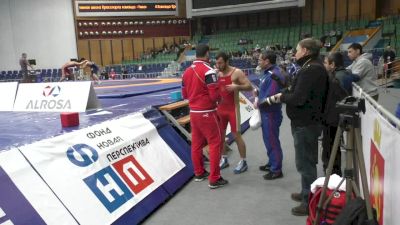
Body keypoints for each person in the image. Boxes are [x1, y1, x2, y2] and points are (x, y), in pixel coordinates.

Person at [267, 38, 329, 216]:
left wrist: (281, 97)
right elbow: (297, 90)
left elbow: (298, 98)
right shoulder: (311, 67)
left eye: (298, 50)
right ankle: (306, 192)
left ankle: (309, 201)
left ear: (307, 51)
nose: (295, 53)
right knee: (305, 161)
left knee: (305, 163)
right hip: (306, 122)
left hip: (306, 123)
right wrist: (288, 92)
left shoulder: (312, 69)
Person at [181, 44, 228, 189]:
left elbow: (184, 95)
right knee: (215, 143)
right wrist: (220, 96)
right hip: (207, 112)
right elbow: (214, 95)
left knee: (196, 144)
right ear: (207, 54)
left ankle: (199, 172)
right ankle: (214, 178)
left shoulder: (186, 72)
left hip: (193, 112)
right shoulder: (209, 71)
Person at [215, 52, 253, 174]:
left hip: (232, 109)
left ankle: (243, 161)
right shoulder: (217, 73)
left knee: (236, 135)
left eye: (220, 63)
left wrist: (237, 87)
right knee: (220, 136)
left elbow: (249, 86)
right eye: (216, 63)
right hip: (220, 109)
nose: (218, 65)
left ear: (227, 61)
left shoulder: (236, 72)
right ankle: (224, 158)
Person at [322, 52, 358, 177]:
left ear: (333, 64)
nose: (324, 65)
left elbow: (334, 98)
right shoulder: (347, 74)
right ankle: (333, 172)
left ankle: (333, 174)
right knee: (334, 146)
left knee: (331, 147)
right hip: (338, 116)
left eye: (326, 63)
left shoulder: (336, 78)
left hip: (333, 117)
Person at [254, 50, 285, 180]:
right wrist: (258, 92)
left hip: (271, 114)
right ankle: (272, 162)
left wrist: (259, 103)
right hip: (266, 113)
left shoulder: (274, 74)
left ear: (267, 61)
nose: (258, 62)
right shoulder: (267, 73)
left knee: (272, 141)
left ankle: (276, 170)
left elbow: (271, 96)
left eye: (260, 59)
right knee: (268, 140)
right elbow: (265, 91)